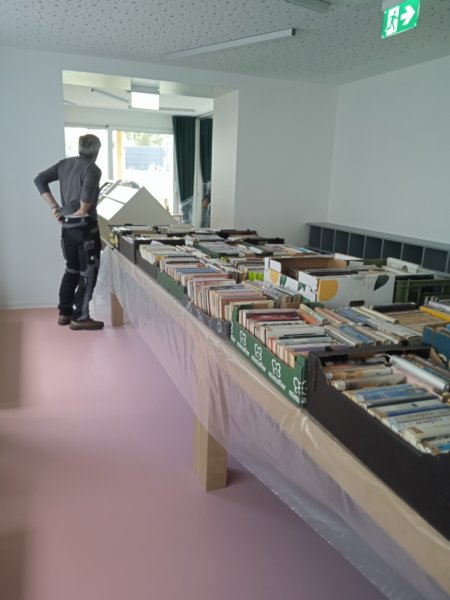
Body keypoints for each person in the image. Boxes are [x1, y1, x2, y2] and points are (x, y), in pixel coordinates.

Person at [34, 134, 104, 330]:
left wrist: (55, 208)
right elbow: (86, 197)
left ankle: (64, 312)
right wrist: (82, 210)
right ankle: (80, 317)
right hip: (85, 228)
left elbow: (39, 179)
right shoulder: (92, 169)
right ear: (96, 151)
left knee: (71, 269)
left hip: (67, 229)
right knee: (88, 271)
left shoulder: (64, 164)